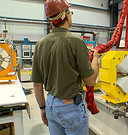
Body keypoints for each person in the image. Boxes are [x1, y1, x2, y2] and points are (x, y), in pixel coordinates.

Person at [32, 0, 99, 134]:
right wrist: (96, 59)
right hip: (71, 109)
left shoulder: (40, 44)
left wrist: (42, 108)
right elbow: (90, 81)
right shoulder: (76, 42)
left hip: (51, 104)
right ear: (67, 15)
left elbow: (36, 84)